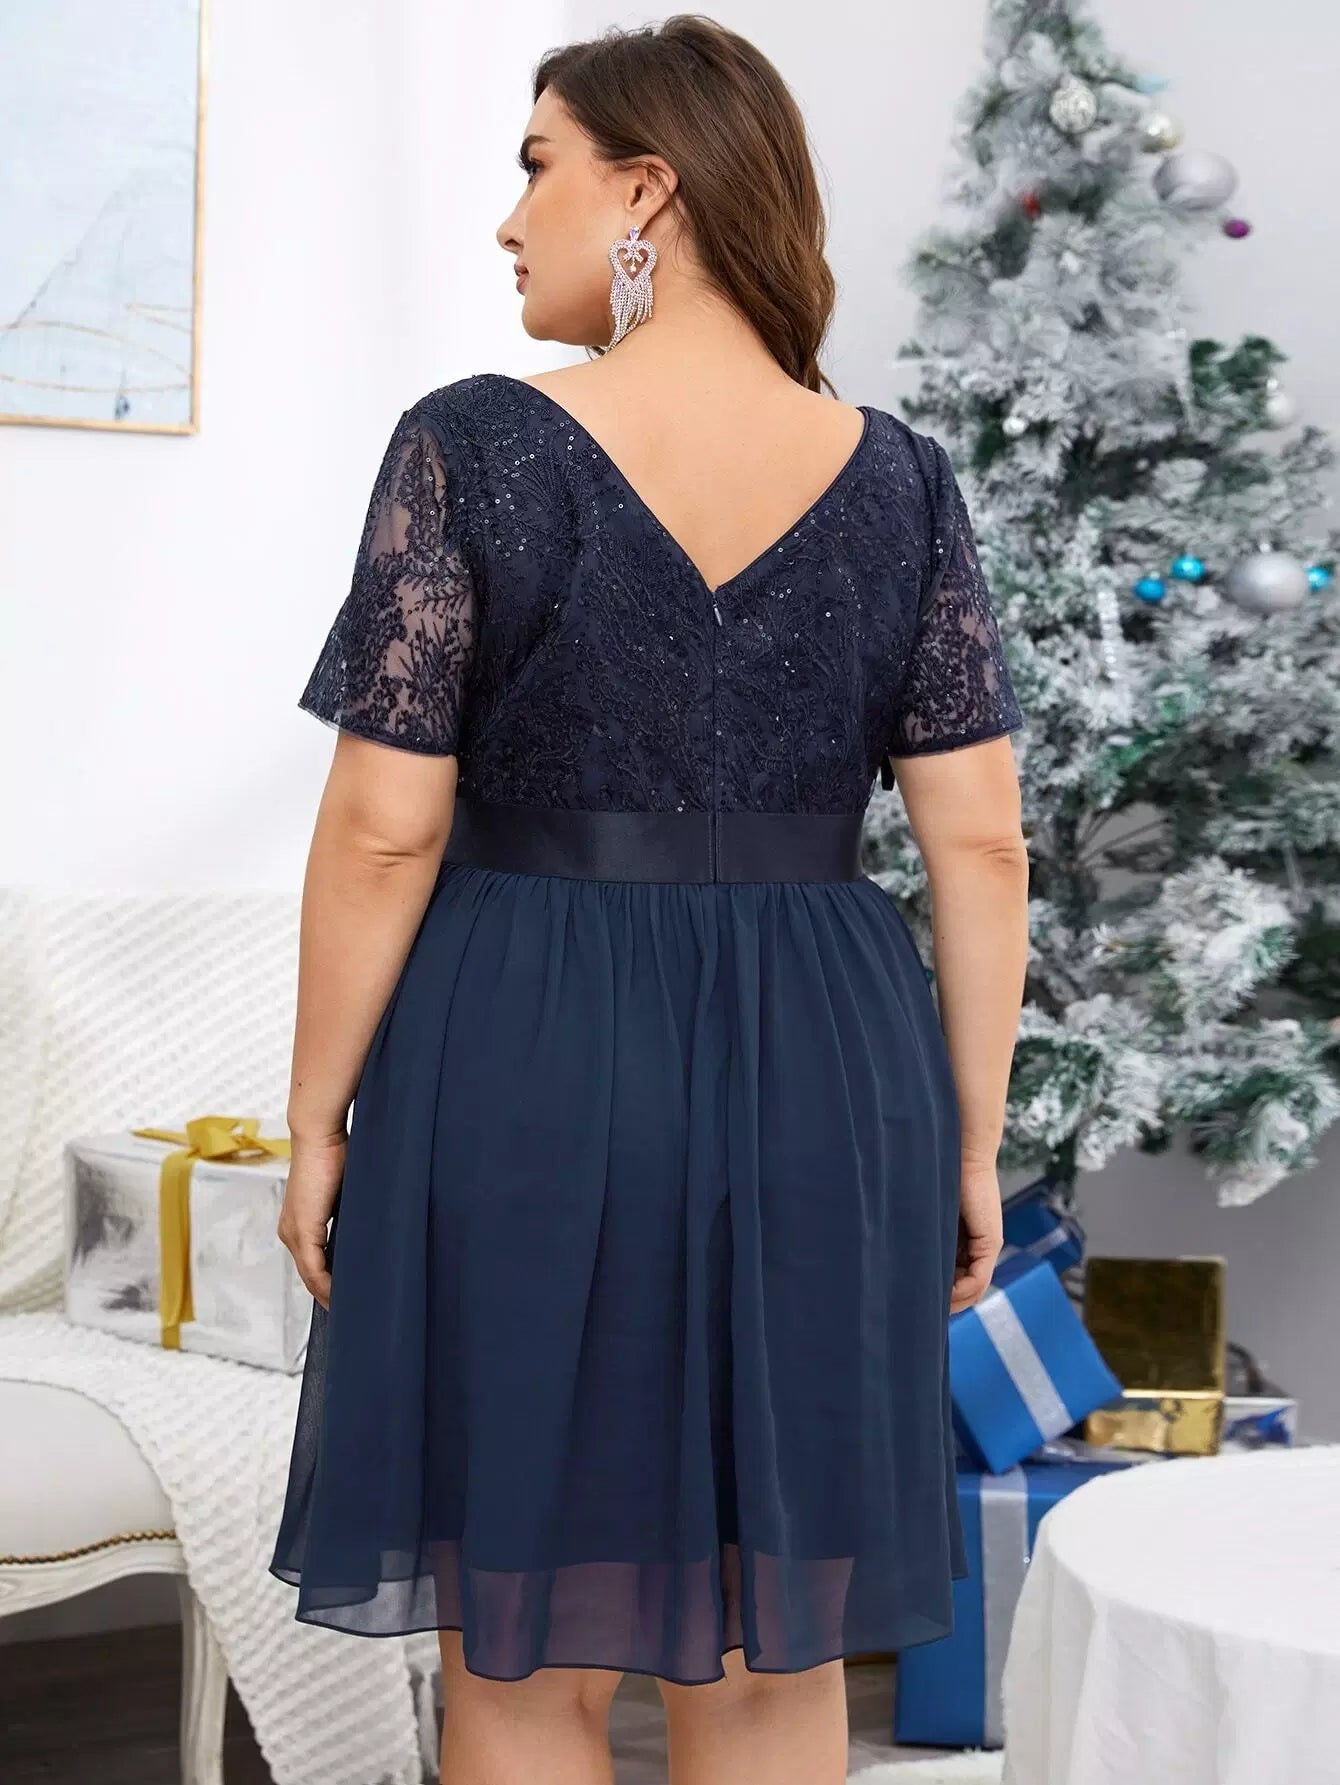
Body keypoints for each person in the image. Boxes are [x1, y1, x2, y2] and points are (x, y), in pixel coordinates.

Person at [269, 15, 1029, 1785]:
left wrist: (315, 1118)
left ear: (646, 193)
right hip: (829, 1063)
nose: (508, 216)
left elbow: (384, 829)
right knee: (773, 1649)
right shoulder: (904, 479)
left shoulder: (471, 445)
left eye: (537, 165)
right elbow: (980, 843)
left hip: (525, 1040)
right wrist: (972, 1139)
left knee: (522, 1650)